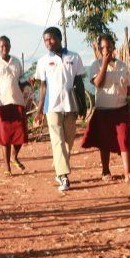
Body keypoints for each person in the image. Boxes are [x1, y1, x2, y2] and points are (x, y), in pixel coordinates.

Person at [81, 34, 130, 182]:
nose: (106, 50)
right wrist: (104, 64)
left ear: (114, 47)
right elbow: (98, 84)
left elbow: (128, 88)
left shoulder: (122, 66)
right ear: (99, 49)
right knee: (104, 141)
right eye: (103, 47)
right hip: (103, 109)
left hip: (120, 108)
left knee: (124, 139)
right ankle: (105, 171)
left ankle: (127, 173)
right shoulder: (96, 65)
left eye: (109, 46)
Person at [34, 27, 86, 192]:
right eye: (45, 40)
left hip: (70, 106)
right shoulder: (43, 61)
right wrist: (40, 110)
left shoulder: (74, 57)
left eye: (51, 39)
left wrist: (83, 105)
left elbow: (79, 82)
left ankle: (58, 166)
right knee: (57, 141)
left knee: (68, 142)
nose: (48, 43)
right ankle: (63, 176)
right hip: (52, 107)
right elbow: (42, 87)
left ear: (59, 38)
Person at [0, 36, 28, 175]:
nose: (4, 48)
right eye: (2, 46)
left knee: (21, 134)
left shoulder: (16, 62)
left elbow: (22, 79)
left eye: (6, 45)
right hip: (1, 104)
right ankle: (7, 167)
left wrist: (27, 89)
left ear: (10, 45)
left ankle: (14, 155)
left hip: (18, 102)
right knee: (5, 138)